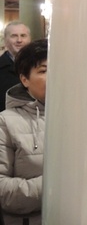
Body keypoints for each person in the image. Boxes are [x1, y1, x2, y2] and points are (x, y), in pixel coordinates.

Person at [0, 39, 46, 224]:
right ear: (24, 79)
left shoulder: (78, 117)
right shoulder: (6, 122)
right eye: (43, 70)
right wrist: (55, 185)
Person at [0, 22, 31, 111]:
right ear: (5, 40)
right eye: (14, 36)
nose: (19, 40)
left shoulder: (40, 66)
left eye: (23, 35)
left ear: (29, 39)